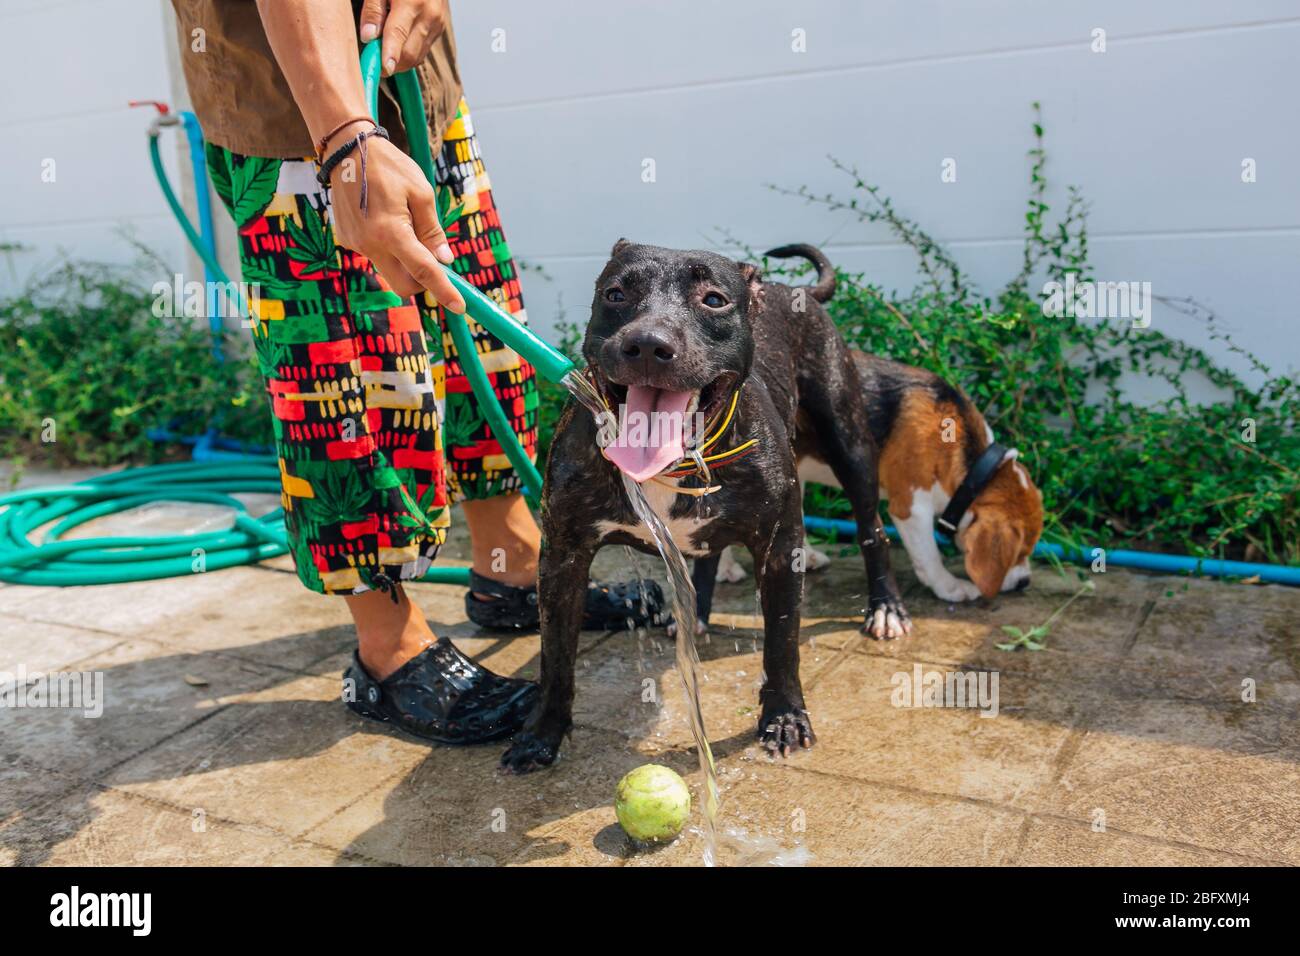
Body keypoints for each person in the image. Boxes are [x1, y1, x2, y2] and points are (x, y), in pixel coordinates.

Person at [169, 0, 663, 744]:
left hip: (412, 90)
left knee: (480, 335)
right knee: (343, 376)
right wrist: (343, 136)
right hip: (300, 115)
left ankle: (513, 568)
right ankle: (386, 647)